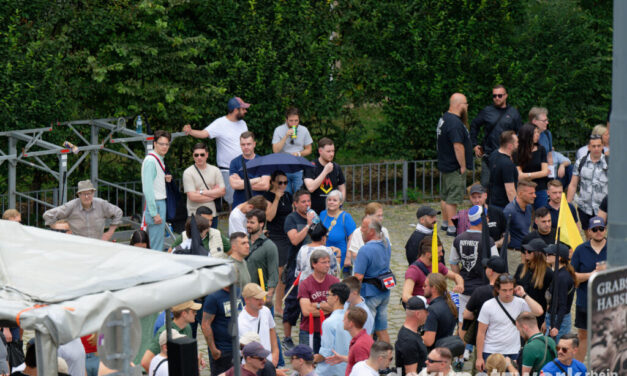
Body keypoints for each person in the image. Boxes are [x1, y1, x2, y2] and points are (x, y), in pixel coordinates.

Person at [182, 96, 251, 205]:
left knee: (247, 199)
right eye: (243, 109)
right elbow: (204, 133)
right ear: (235, 110)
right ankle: (232, 220)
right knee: (233, 201)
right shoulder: (220, 123)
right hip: (228, 170)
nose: (245, 111)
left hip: (244, 168)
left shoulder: (243, 124)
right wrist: (190, 131)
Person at [475, 274, 544, 371]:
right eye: (504, 290)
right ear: (497, 289)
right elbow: (481, 333)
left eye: (510, 289)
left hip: (513, 353)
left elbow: (539, 311)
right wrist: (479, 357)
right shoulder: (488, 305)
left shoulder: (520, 303)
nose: (508, 293)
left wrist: (524, 295)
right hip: (491, 352)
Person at [449, 205, 498, 331]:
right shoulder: (488, 241)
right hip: (483, 289)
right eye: (486, 217)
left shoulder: (458, 239)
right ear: (482, 220)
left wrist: (459, 280)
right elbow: (496, 265)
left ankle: (463, 351)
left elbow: (453, 263)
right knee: (484, 323)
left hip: (465, 288)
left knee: (462, 322)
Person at [470, 84, 523, 188]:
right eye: (494, 96)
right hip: (489, 156)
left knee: (508, 185)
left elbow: (520, 134)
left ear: (506, 96)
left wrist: (515, 154)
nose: (497, 98)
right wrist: (475, 144)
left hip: (508, 157)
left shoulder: (514, 113)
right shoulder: (487, 111)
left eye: (500, 95)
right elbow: (474, 125)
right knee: (485, 186)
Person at [282, 190, 316, 350]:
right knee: (291, 303)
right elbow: (294, 240)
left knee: (309, 302)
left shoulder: (314, 217)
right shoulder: (291, 219)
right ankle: (287, 338)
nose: (307, 204)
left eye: (308, 201)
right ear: (295, 204)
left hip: (313, 269)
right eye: (303, 201)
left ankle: (306, 335)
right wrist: (308, 225)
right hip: (296, 269)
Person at [570, 216, 607, 361]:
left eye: (601, 229)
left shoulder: (614, 248)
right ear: (589, 232)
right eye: (595, 229)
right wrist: (592, 275)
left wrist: (607, 269)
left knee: (608, 335)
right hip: (585, 301)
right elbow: (572, 276)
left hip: (607, 301)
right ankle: (578, 369)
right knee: (583, 336)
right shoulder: (580, 250)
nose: (598, 232)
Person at [437, 93, 472, 236]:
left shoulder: (444, 118)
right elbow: (458, 146)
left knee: (445, 196)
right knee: (452, 198)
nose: (467, 107)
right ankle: (452, 227)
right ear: (459, 105)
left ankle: (445, 223)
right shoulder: (455, 123)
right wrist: (462, 165)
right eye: (466, 104)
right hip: (454, 166)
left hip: (445, 163)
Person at [461, 256, 508, 361]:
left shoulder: (480, 292)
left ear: (490, 271)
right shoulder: (510, 292)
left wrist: (478, 315)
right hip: (504, 340)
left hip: (484, 340)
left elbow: (466, 315)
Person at [43, 179, 123, 241]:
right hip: (78, 246)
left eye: (89, 193)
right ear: (79, 195)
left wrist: (109, 233)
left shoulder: (101, 204)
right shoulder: (71, 206)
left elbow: (118, 212)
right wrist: (56, 226)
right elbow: (48, 215)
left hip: (98, 244)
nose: (87, 196)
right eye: (84, 194)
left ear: (93, 193)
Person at [353, 217, 392, 343]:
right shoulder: (385, 243)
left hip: (369, 294)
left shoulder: (365, 250)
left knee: (366, 331)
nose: (361, 230)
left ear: (371, 231)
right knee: (382, 329)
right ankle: (388, 358)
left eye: (363, 227)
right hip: (384, 291)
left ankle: (367, 359)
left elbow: (358, 277)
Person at [263, 170, 294, 312]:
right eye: (280, 182)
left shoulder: (288, 196)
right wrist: (276, 198)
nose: (283, 185)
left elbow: (291, 213)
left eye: (285, 183)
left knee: (285, 273)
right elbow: (269, 217)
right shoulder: (268, 196)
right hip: (275, 236)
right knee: (278, 271)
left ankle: (278, 305)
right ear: (273, 183)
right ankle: (269, 300)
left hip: (287, 234)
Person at [298, 249, 340, 353]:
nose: (327, 265)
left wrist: (316, 305)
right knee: (308, 362)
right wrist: (328, 308)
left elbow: (338, 307)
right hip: (309, 330)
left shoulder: (335, 282)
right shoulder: (305, 284)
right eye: (323, 262)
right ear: (314, 264)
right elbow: (306, 311)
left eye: (328, 262)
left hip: (330, 330)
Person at [140, 300, 199, 372]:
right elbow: (145, 362)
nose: (196, 313)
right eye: (193, 311)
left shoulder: (187, 327)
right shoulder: (164, 333)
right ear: (184, 314)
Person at [402, 236, 464, 303]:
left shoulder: (438, 265)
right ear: (428, 254)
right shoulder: (413, 271)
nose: (442, 254)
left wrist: (460, 285)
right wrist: (423, 304)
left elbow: (456, 276)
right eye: (439, 252)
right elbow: (406, 296)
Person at [567, 134, 609, 231]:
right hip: (584, 207)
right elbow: (573, 185)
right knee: (589, 237)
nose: (596, 148)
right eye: (593, 146)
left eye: (599, 145)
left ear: (603, 146)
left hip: (603, 208)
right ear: (589, 147)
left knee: (600, 236)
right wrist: (568, 206)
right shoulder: (580, 162)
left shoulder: (609, 162)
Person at [140, 130, 172, 251]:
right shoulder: (151, 160)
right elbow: (147, 189)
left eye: (167, 144)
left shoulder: (158, 159)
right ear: (154, 143)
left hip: (158, 202)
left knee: (157, 241)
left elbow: (152, 182)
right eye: (161, 144)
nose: (164, 147)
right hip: (156, 204)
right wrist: (154, 213)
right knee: (156, 244)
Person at [272, 107, 314, 194]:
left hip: (298, 169)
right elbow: (275, 150)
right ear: (286, 119)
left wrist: (299, 153)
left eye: (296, 120)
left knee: (299, 195)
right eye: (291, 121)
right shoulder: (278, 130)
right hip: (283, 169)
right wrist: (285, 136)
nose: (294, 123)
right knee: (285, 196)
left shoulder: (304, 130)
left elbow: (309, 149)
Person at [202, 285, 242, 375]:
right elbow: (205, 324)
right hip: (223, 351)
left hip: (240, 349)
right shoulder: (213, 297)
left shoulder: (240, 293)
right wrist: (214, 350)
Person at [182, 142, 226, 224]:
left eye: (202, 155)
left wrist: (202, 192)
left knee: (212, 236)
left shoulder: (215, 170)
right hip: (195, 214)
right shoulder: (188, 172)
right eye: (196, 155)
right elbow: (192, 196)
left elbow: (222, 191)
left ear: (207, 155)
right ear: (193, 156)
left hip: (212, 214)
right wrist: (213, 196)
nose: (199, 157)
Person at [315, 283, 351, 376]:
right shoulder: (350, 317)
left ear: (336, 298)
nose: (326, 297)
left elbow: (326, 353)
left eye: (328, 295)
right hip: (347, 367)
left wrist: (312, 359)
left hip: (331, 370)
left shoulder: (329, 323)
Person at [515, 238, 553, 327]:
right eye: (525, 250)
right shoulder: (521, 268)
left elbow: (552, 300)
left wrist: (546, 321)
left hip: (537, 316)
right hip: (520, 313)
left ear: (538, 254)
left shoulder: (548, 273)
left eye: (529, 251)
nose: (526, 252)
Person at [303, 137, 346, 214]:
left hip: (332, 212)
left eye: (333, 151)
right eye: (328, 151)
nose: (332, 154)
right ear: (320, 151)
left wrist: (340, 204)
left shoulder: (336, 167)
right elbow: (311, 188)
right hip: (314, 212)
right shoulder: (311, 166)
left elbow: (342, 188)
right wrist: (325, 171)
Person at [239, 283, 279, 365]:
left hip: (269, 363)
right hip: (253, 366)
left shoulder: (266, 311)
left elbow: (271, 329)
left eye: (262, 297)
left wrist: (275, 353)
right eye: (257, 299)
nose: (262, 301)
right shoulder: (241, 322)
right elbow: (251, 354)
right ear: (247, 300)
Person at [325, 306, 372, 376]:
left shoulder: (359, 346)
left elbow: (363, 371)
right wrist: (343, 358)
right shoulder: (364, 338)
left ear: (351, 324)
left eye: (344, 319)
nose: (342, 321)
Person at [544, 243, 576, 343]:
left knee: (557, 352)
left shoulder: (562, 277)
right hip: (553, 317)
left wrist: (556, 327)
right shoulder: (558, 273)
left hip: (559, 320)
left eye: (550, 254)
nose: (546, 255)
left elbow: (563, 305)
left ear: (559, 258)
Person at [320, 190, 356, 277]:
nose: (331, 202)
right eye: (329, 200)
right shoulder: (322, 214)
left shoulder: (346, 217)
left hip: (340, 258)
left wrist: (348, 257)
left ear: (340, 203)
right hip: (323, 258)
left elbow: (352, 238)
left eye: (335, 200)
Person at [229, 131, 271, 208]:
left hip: (258, 206)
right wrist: (257, 180)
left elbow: (265, 185)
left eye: (249, 144)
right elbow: (234, 185)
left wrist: (242, 183)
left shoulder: (263, 162)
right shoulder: (234, 162)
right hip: (240, 206)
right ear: (240, 145)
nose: (246, 147)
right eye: (243, 144)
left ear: (254, 144)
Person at [246, 209, 279, 301]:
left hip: (260, 296)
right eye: (247, 222)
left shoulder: (270, 246)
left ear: (261, 224)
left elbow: (273, 274)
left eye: (252, 222)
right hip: (243, 294)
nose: (248, 225)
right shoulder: (243, 242)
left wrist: (268, 297)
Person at [515, 122, 550, 209]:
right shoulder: (517, 152)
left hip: (541, 188)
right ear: (527, 134)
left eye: (538, 132)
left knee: (542, 214)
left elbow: (546, 172)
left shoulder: (541, 149)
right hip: (524, 189)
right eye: (535, 132)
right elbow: (519, 176)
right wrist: (540, 173)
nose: (538, 135)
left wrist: (527, 175)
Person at [423, 273, 458, 349]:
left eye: (425, 285)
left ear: (434, 288)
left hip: (434, 353)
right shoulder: (451, 304)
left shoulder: (432, 310)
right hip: (446, 350)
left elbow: (428, 341)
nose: (423, 288)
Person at [395, 296, 429, 375]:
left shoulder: (411, 332)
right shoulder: (409, 341)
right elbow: (411, 373)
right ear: (418, 314)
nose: (428, 314)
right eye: (426, 311)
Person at [487, 130, 519, 210]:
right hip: (504, 206)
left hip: (492, 202)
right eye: (517, 142)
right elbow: (510, 191)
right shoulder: (507, 164)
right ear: (510, 146)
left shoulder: (493, 155)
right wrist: (517, 209)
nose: (518, 144)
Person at [503, 179, 536, 250]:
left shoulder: (529, 207)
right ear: (520, 194)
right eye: (531, 193)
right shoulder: (509, 211)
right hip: (514, 253)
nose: (534, 196)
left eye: (534, 193)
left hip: (527, 251)